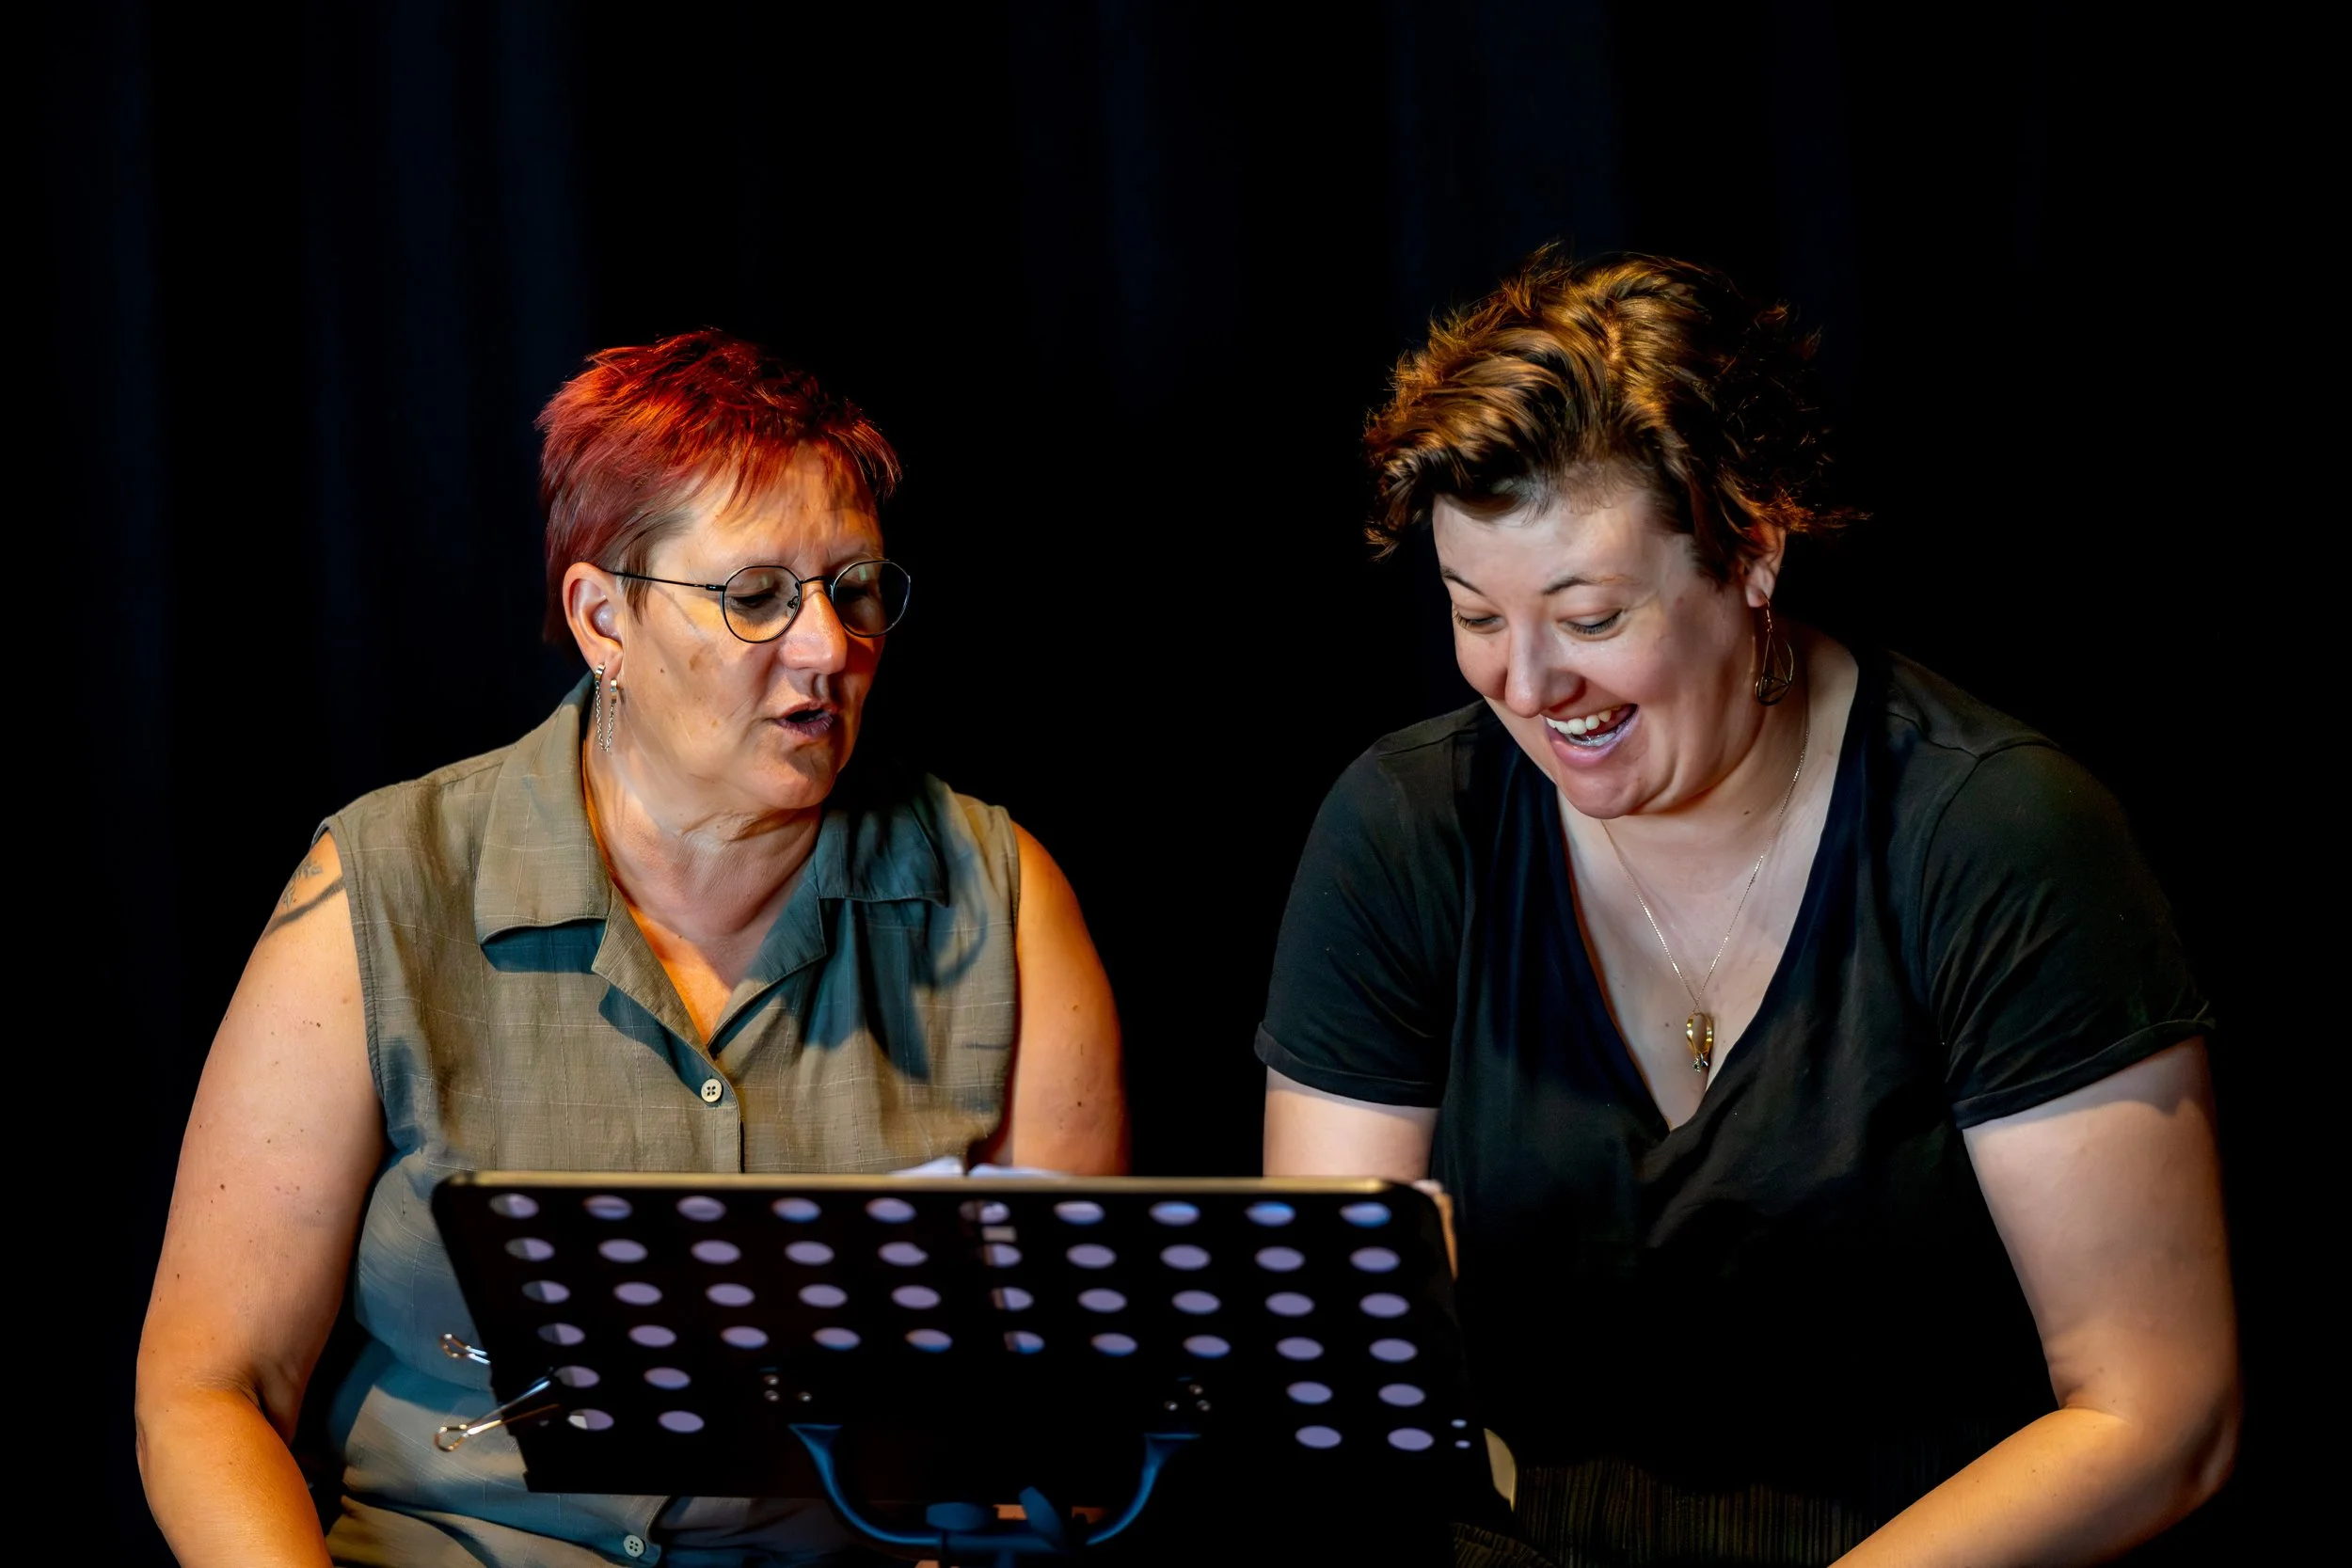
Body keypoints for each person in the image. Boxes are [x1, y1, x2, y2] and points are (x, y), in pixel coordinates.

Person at [1259, 253, 2236, 1566]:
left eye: (1590, 613)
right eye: (1475, 612)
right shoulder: (1405, 829)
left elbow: (2159, 1409)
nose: (1531, 680)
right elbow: (1342, 1393)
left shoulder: (1997, 834)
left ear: (1753, 551)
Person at [136, 331, 1128, 1566]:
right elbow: (209, 1386)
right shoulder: (384, 886)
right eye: (756, 594)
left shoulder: (998, 897)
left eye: (855, 586)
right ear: (604, 618)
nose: (828, 647)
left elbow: (1064, 1430)